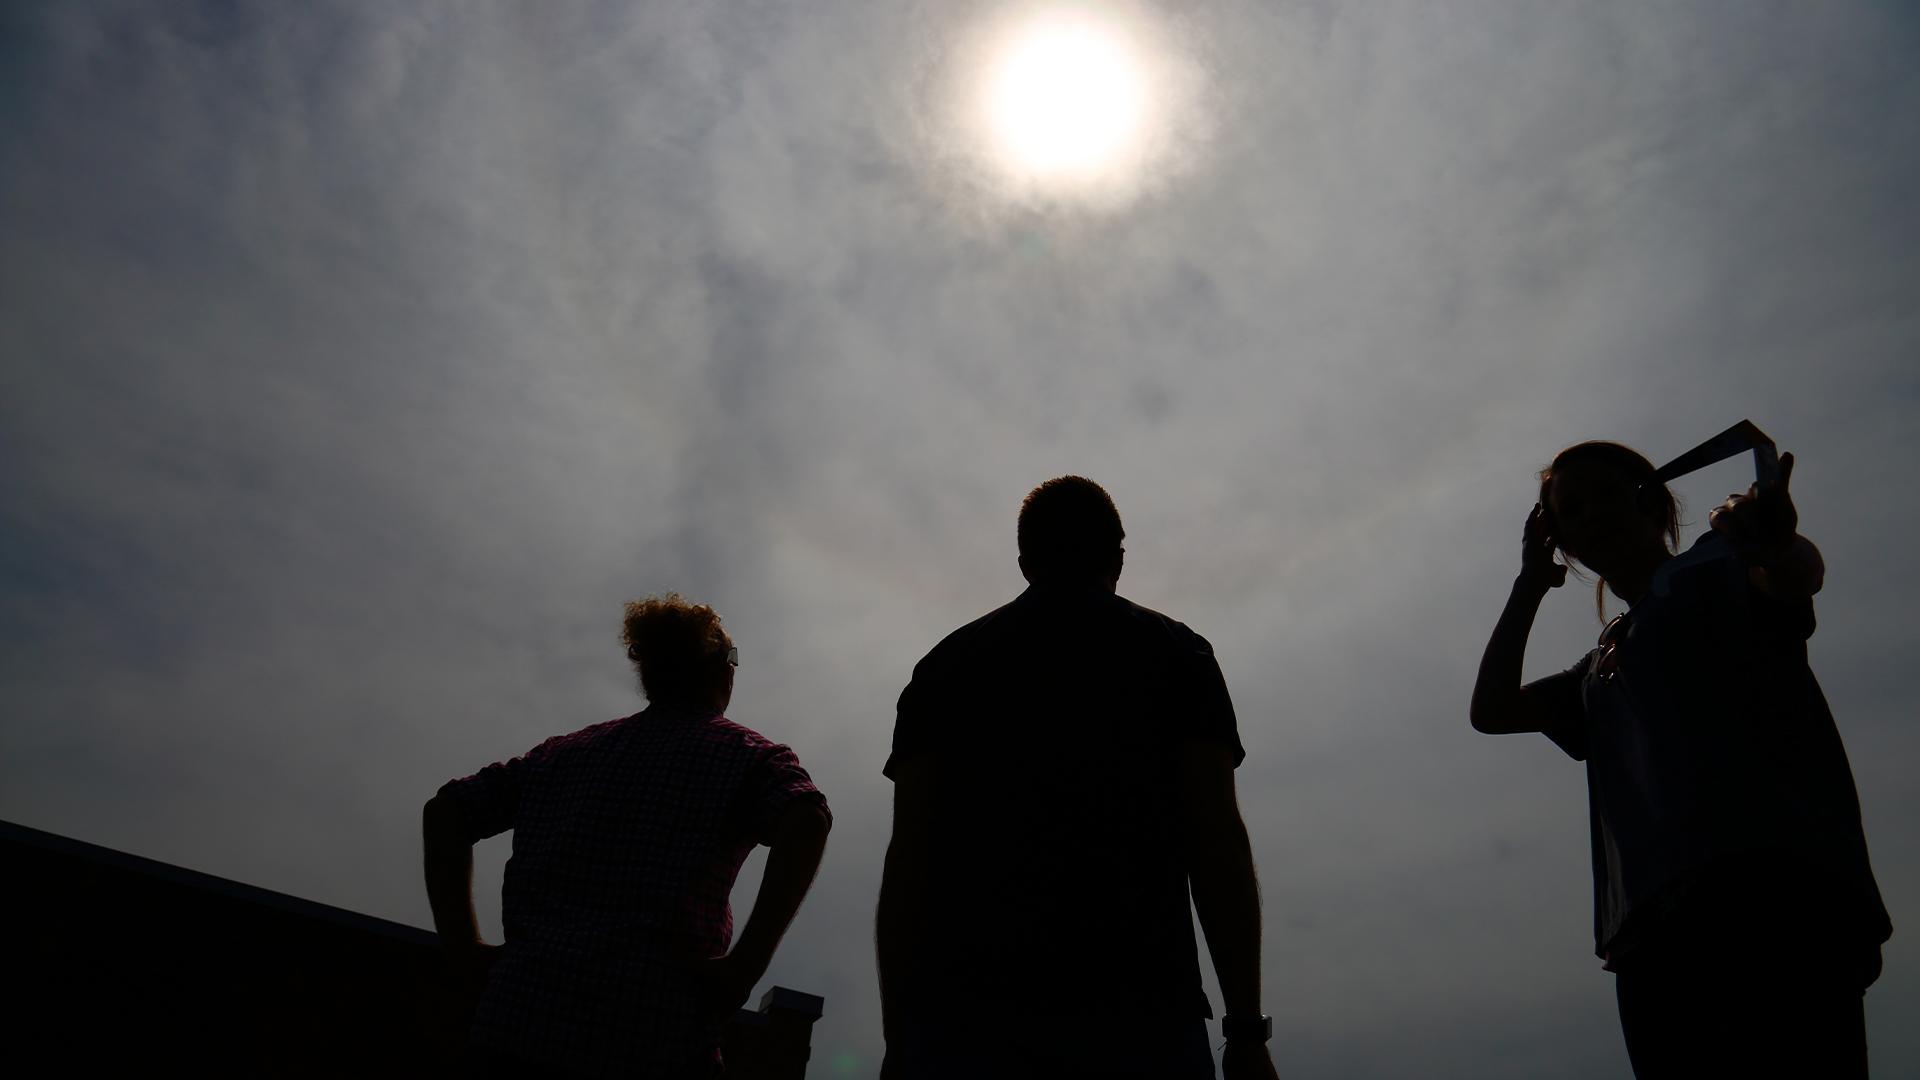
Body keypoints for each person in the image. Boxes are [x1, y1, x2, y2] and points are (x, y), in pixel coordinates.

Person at [1469, 441, 1891, 1077]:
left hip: (1776, 903)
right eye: (1571, 511)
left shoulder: (1719, 565)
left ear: (1650, 501)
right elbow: (1492, 710)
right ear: (1564, 542)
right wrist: (1530, 581)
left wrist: (1775, 542)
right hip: (1654, 939)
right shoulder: (1600, 667)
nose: (1591, 516)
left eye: (1607, 494)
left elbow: (1793, 574)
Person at [875, 476, 1280, 1080]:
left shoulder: (943, 670)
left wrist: (900, 1037)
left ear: (1023, 562)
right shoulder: (1178, 655)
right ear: (1118, 555)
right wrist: (1245, 1029)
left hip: (966, 1018)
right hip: (1141, 1010)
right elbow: (1216, 837)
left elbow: (909, 860)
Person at [423, 594, 832, 1078]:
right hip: (652, 1034)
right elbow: (807, 819)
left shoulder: (562, 755)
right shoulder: (747, 757)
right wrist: (744, 966)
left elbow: (447, 811)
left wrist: (464, 950)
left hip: (513, 1027)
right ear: (721, 670)